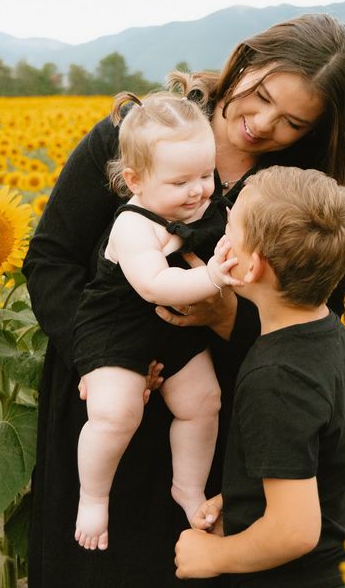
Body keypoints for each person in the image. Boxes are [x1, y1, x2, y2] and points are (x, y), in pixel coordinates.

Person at [22, 13, 345, 587]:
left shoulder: (296, 185)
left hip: (216, 418)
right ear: (245, 61)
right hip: (106, 405)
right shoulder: (141, 133)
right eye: (261, 95)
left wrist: (223, 318)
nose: (262, 123)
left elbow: (304, 321)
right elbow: (50, 259)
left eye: (292, 121)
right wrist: (98, 357)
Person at [173, 166, 345, 586]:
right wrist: (245, 494)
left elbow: (294, 531)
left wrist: (214, 554)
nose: (221, 237)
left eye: (230, 228)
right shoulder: (331, 337)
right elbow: (317, 460)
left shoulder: (276, 379)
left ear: (252, 269)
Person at [73, 92, 238, 551]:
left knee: (205, 402)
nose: (198, 191)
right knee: (114, 414)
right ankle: (93, 496)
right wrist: (212, 276)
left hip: (173, 328)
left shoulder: (205, 207)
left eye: (207, 175)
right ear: (136, 181)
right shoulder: (133, 225)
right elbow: (154, 285)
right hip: (117, 327)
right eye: (181, 181)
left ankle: (188, 486)